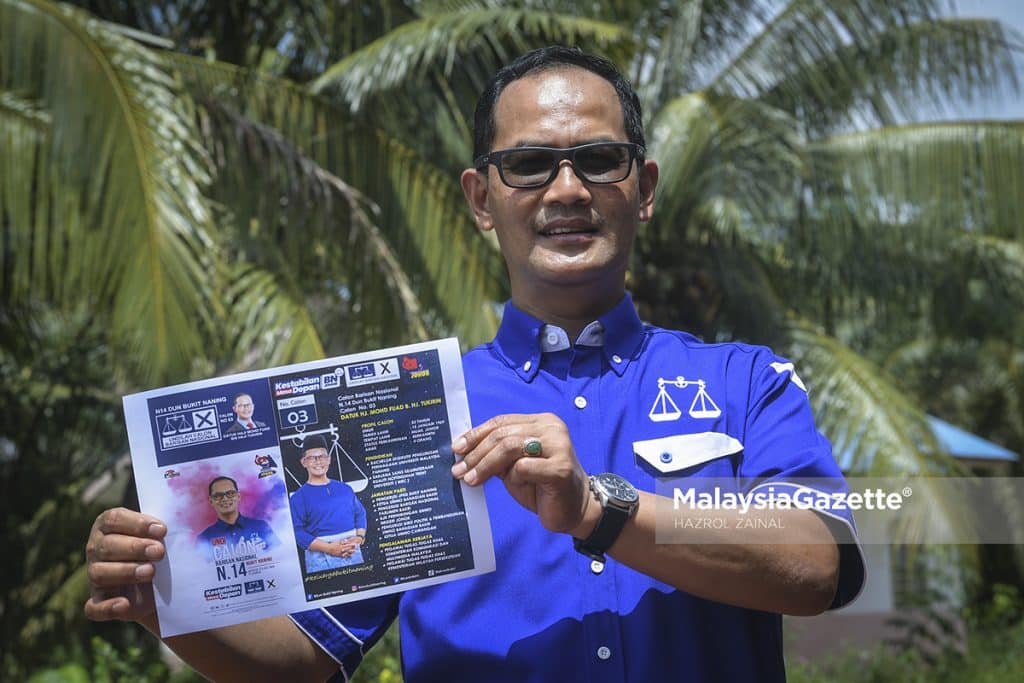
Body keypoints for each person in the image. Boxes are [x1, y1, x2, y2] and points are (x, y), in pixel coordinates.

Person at [84, 46, 865, 682]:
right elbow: (302, 657)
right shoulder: (409, 409)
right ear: (481, 199)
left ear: (644, 186)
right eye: (528, 164)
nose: (567, 189)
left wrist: (599, 509)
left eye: (598, 158)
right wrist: (171, 604)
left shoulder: (747, 381)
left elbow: (815, 563)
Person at [289, 435, 368, 571]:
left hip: (352, 552)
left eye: (322, 457)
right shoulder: (298, 497)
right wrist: (329, 548)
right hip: (321, 559)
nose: (318, 462)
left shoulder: (345, 489)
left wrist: (359, 538)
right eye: (312, 458)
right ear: (304, 462)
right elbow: (298, 532)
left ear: (329, 459)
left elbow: (360, 514)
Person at [196, 476, 279, 556]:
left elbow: (280, 557)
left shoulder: (261, 527)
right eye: (218, 496)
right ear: (211, 501)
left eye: (230, 493)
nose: (224, 499)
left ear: (238, 496)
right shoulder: (204, 538)